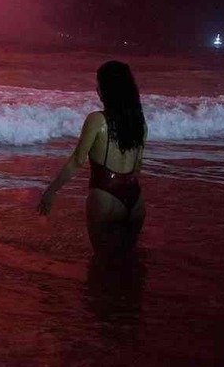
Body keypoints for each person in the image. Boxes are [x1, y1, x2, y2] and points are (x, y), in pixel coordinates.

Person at [38, 60, 147, 254]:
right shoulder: (139, 123)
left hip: (105, 197)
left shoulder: (97, 120)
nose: (96, 88)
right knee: (129, 261)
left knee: (102, 262)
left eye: (99, 83)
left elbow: (77, 160)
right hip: (135, 198)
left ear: (106, 89)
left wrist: (51, 191)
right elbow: (138, 166)